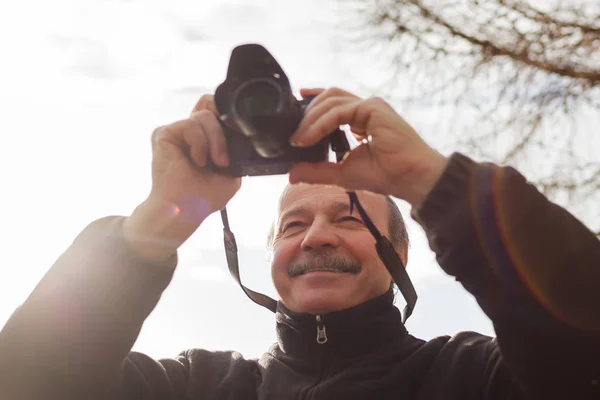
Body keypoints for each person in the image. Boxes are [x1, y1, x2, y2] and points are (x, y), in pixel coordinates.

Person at [0, 87, 599, 400]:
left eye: (351, 218)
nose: (315, 236)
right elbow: (26, 381)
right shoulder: (193, 386)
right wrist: (155, 222)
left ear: (402, 257)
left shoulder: (474, 377)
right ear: (272, 260)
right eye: (292, 225)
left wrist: (431, 180)